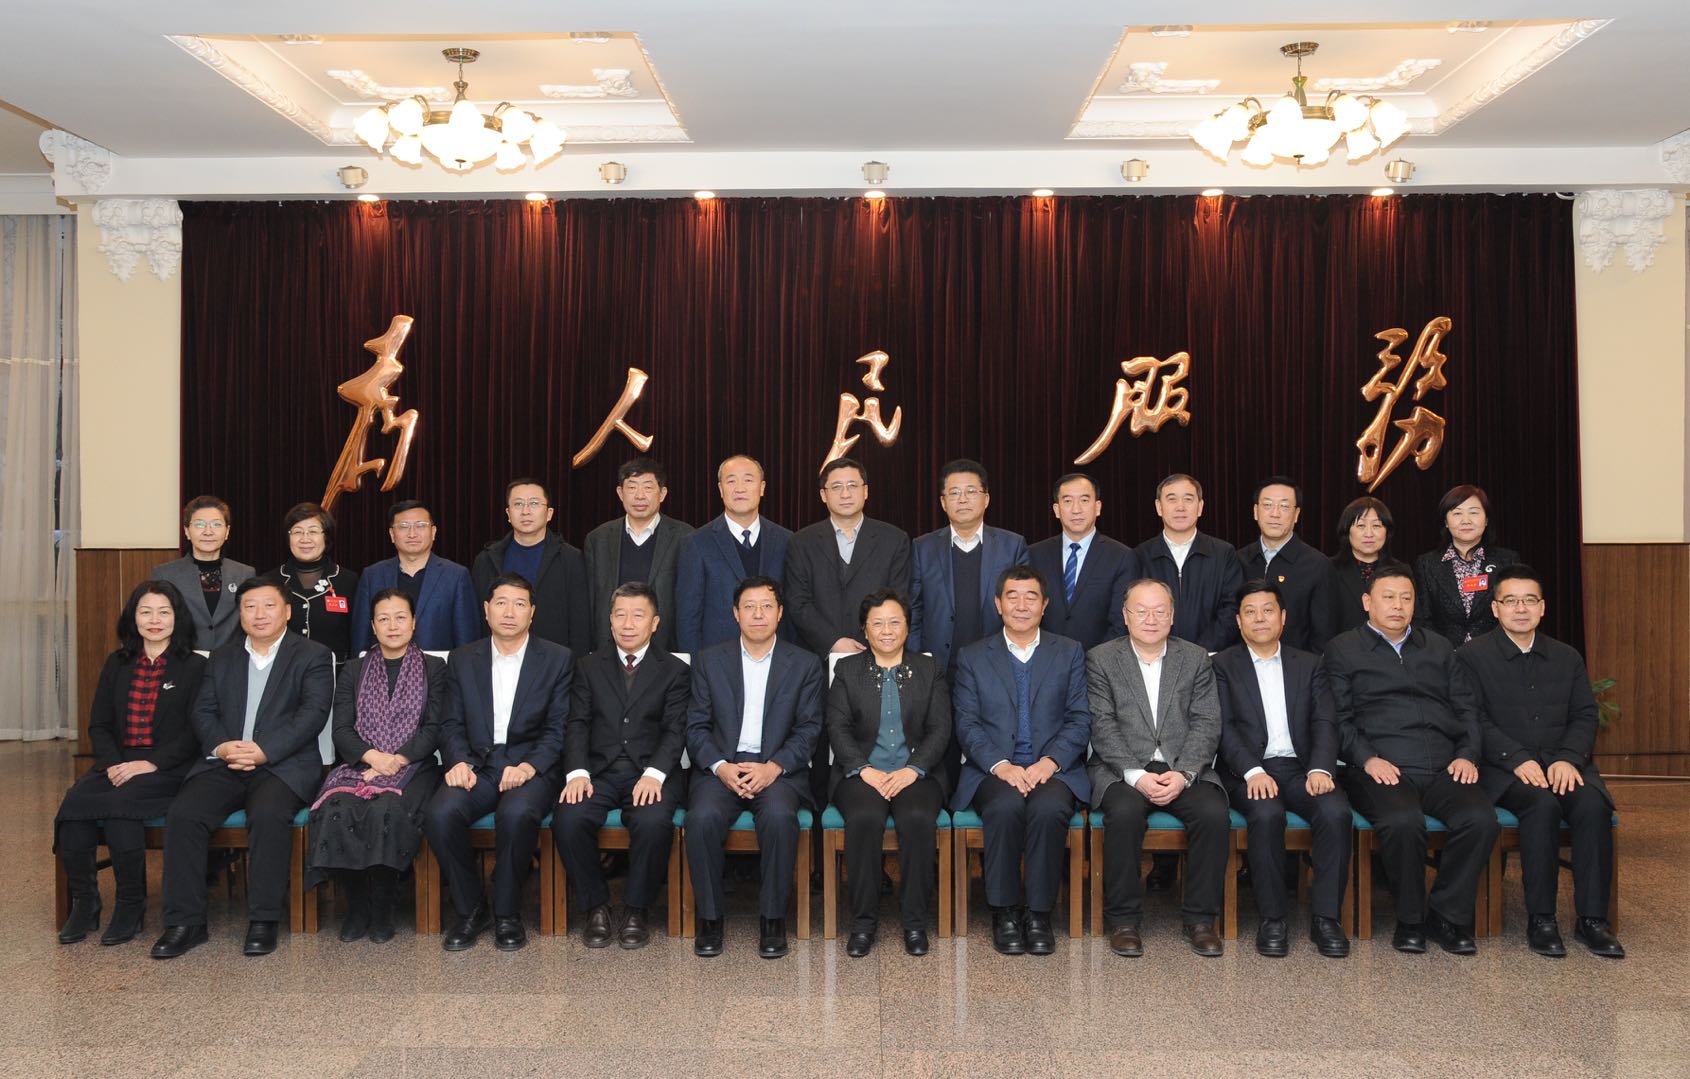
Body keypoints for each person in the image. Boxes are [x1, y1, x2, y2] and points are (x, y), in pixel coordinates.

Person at [151, 576, 334, 959]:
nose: (259, 614)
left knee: (268, 814)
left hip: (282, 765)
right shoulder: (222, 656)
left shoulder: (312, 655)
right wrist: (223, 746)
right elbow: (203, 711)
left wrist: (264, 751)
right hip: (225, 761)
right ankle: (185, 922)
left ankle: (264, 919)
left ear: (287, 611)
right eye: (249, 607)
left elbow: (312, 715)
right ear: (240, 614)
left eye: (268, 605)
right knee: (184, 814)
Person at [1324, 562, 1500, 955]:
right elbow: (1338, 719)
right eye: (1388, 597)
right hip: (1379, 766)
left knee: (1480, 819)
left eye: (1406, 598)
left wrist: (1467, 754)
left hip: (1443, 764)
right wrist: (1367, 759)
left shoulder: (1437, 647)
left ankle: (1445, 915)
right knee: (1403, 822)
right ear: (1367, 602)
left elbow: (1467, 709)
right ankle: (1410, 919)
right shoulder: (1343, 649)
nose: (1398, 606)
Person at [1455, 566, 1623, 958]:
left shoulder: (1566, 656)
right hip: (1504, 769)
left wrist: (1568, 759)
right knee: (1541, 804)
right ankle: (1542, 918)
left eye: (1529, 600)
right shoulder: (1471, 657)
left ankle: (1592, 920)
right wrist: (1515, 758)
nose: (1521, 609)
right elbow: (1473, 718)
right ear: (1495, 608)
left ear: (1542, 607)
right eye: (1511, 601)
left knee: (1592, 805)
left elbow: (1585, 715)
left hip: (1564, 762)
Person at [424, 573, 572, 952]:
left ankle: (507, 913)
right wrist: (457, 761)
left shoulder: (557, 659)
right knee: (440, 814)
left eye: (519, 604)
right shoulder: (462, 659)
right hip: (478, 766)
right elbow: (450, 722)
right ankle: (472, 908)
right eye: (501, 603)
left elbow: (559, 728)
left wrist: (529, 766)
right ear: (486, 610)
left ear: (532, 613)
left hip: (530, 767)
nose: (509, 612)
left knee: (517, 814)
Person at [54, 580, 206, 946]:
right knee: (73, 806)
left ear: (177, 617)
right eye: (145, 612)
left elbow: (196, 731)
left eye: (163, 612)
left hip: (167, 768)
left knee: (121, 808)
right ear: (133, 617)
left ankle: (129, 905)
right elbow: (99, 724)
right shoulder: (118, 662)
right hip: (117, 763)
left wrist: (150, 764)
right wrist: (111, 763)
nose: (154, 620)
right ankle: (86, 903)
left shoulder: (194, 666)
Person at [1085, 579, 1230, 958]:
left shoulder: (1195, 658)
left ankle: (1200, 920)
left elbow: (1207, 722)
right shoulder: (1101, 659)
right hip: (1122, 768)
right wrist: (1136, 775)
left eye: (1159, 611)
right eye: (1141, 611)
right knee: (1124, 812)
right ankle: (1124, 921)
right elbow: (1102, 725)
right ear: (1125, 616)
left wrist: (1184, 774)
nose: (1151, 619)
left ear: (1172, 616)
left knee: (1213, 813)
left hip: (1182, 766)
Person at [952, 566, 1090, 956]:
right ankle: (1005, 912)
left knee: (1048, 810)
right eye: (1012, 596)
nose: (1022, 605)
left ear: (1045, 605)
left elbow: (1080, 719)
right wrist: (1001, 765)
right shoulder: (973, 656)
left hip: (1053, 769)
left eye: (1031, 597)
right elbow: (967, 723)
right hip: (994, 769)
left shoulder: (1069, 652)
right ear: (998, 604)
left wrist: (1050, 762)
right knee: (1005, 806)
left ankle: (1039, 914)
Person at [785, 456, 913, 877]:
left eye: (852, 485)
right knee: (820, 756)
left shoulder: (893, 539)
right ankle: (820, 866)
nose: (845, 493)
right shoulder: (802, 541)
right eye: (835, 487)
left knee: (872, 747)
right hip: (817, 663)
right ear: (823, 495)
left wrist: (872, 640)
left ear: (866, 492)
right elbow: (797, 602)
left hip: (879, 660)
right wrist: (834, 642)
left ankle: (878, 867)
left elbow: (898, 598)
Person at [684, 576, 824, 959]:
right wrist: (721, 767)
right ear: (735, 614)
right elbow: (695, 727)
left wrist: (774, 767)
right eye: (749, 606)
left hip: (777, 769)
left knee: (779, 817)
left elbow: (809, 729)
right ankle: (710, 919)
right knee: (701, 818)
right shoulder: (709, 660)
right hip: (722, 768)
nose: (758, 614)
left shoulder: (804, 664)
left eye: (766, 606)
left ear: (780, 613)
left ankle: (772, 919)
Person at [1214, 580, 1352, 959]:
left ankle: (1326, 918)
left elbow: (1325, 721)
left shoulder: (1310, 664)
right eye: (1250, 612)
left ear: (1283, 617)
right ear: (1239, 622)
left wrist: (1321, 768)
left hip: (1302, 768)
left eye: (1268, 610)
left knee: (1335, 812)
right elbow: (1223, 728)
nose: (1260, 618)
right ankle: (1272, 918)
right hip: (1248, 770)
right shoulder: (1222, 665)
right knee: (1266, 813)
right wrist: (1252, 771)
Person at [552, 582, 690, 950]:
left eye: (638, 615)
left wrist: (655, 774)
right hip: (598, 772)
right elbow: (577, 723)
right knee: (569, 817)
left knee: (653, 820)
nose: (628, 624)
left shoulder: (674, 670)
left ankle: (636, 909)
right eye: (620, 615)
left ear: (655, 623)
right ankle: (596, 906)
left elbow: (675, 730)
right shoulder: (587, 666)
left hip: (650, 772)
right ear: (610, 620)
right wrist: (577, 772)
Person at [304, 588, 444, 944]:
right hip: (361, 762)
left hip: (415, 765)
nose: (392, 626)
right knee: (338, 807)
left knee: (387, 809)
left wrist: (396, 760)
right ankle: (357, 906)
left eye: (400, 618)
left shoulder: (434, 668)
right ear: (373, 626)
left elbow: (434, 728)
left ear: (413, 623)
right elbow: (341, 729)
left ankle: (383, 908)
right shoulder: (354, 669)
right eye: (384, 619)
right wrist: (374, 758)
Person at [825, 589, 952, 958]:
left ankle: (915, 922)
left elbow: (940, 728)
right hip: (861, 774)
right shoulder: (847, 670)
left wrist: (914, 769)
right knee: (865, 818)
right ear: (864, 630)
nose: (886, 630)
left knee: (916, 818)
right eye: (877, 623)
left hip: (916, 774)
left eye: (895, 622)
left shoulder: (929, 669)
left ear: (907, 628)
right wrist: (863, 769)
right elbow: (837, 728)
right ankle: (863, 923)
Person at [909, 459, 1030, 673]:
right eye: (954, 493)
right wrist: (916, 657)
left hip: (996, 664)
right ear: (943, 502)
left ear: (986, 499)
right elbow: (914, 608)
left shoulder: (1012, 546)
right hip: (937, 666)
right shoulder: (923, 547)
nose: (963, 499)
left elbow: (1023, 606)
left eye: (971, 491)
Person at [674, 454, 794, 654]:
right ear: (721, 489)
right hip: (717, 660)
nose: (740, 488)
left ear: (762, 487)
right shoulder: (696, 543)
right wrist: (696, 667)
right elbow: (688, 617)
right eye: (731, 481)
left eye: (748, 480)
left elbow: (793, 609)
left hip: (777, 659)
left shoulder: (786, 540)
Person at [583, 457, 694, 653]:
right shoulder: (598, 539)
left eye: (648, 488)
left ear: (662, 493)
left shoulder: (685, 537)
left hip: (666, 651)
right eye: (632, 487)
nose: (640, 496)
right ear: (620, 493)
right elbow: (590, 601)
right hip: (609, 650)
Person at [470, 478, 592, 655]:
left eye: (534, 503)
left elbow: (580, 622)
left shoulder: (571, 559)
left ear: (549, 513)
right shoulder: (487, 560)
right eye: (518, 504)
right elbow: (477, 620)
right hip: (498, 659)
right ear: (508, 513)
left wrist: (575, 664)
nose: (525, 511)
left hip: (553, 661)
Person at [351, 500, 480, 654]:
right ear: (392, 534)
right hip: (382, 668)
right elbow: (360, 639)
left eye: (420, 525)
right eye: (403, 526)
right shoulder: (372, 576)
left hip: (440, 668)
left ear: (433, 532)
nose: (412, 534)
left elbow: (467, 640)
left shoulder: (456, 576)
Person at [1028, 472, 1137, 652]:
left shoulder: (1121, 556)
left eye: (1084, 500)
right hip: (1043, 659)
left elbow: (1121, 621)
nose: (1076, 509)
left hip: (1099, 662)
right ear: (1056, 510)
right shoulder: (1035, 554)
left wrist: (1096, 661)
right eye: (1067, 501)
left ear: (1098, 507)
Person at [1135, 474, 1242, 653]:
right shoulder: (1140, 555)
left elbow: (1232, 608)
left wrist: (1197, 653)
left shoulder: (1223, 553)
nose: (1180, 507)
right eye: (1172, 499)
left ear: (1200, 507)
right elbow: (1135, 611)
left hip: (1211, 656)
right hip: (1156, 656)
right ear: (1159, 507)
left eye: (1188, 499)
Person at [1236, 476, 1337, 653]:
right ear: (1255, 511)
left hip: (1298, 666)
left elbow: (1324, 636)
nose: (1275, 514)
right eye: (1267, 505)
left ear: (1296, 514)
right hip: (1241, 664)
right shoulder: (1238, 560)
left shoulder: (1317, 565)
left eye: (1284, 506)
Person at [1413, 484, 1520, 645]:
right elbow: (1423, 618)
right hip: (1444, 654)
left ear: (1486, 520)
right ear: (1446, 522)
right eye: (1457, 513)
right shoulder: (1426, 564)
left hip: (1495, 652)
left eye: (1474, 513)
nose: (1466, 521)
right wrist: (1441, 650)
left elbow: (1514, 611)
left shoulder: (1507, 560)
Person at [153, 494, 254, 651]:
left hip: (231, 659)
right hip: (182, 658)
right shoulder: (165, 574)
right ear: (187, 531)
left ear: (227, 531)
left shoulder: (244, 573)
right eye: (199, 525)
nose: (208, 531)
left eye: (216, 524)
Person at [272, 501, 359, 663]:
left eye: (313, 531)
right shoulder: (271, 581)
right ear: (288, 537)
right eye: (297, 532)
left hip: (335, 673)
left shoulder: (348, 580)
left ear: (326, 537)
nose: (305, 539)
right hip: (284, 672)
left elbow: (358, 633)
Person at [1330, 496, 1395, 633]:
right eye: (1361, 525)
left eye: (1376, 526)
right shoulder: (1329, 570)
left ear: (1387, 531)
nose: (1369, 534)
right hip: (1342, 645)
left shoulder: (1400, 571)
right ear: (1347, 530)